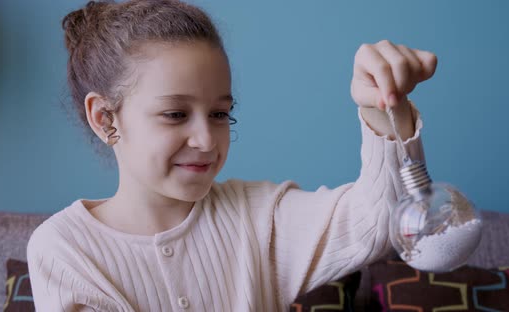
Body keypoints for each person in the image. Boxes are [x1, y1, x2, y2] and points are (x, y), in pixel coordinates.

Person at [26, 0, 436, 311]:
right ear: (104, 118)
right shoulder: (64, 249)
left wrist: (383, 108)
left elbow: (384, 223)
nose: (207, 139)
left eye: (220, 113)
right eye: (175, 114)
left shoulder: (257, 216)